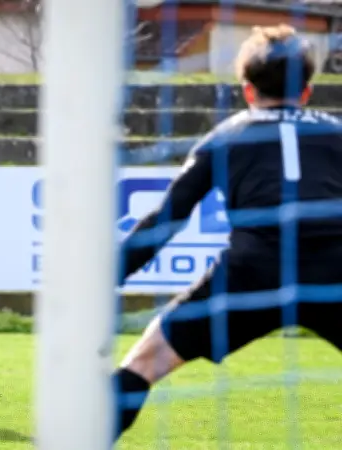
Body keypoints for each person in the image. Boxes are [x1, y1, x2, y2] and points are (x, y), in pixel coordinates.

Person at [113, 24, 342, 442]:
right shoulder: (335, 132)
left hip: (251, 273)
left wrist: (105, 279)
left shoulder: (227, 135)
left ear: (248, 91)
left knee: (143, 363)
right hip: (333, 271)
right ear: (307, 91)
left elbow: (167, 219)